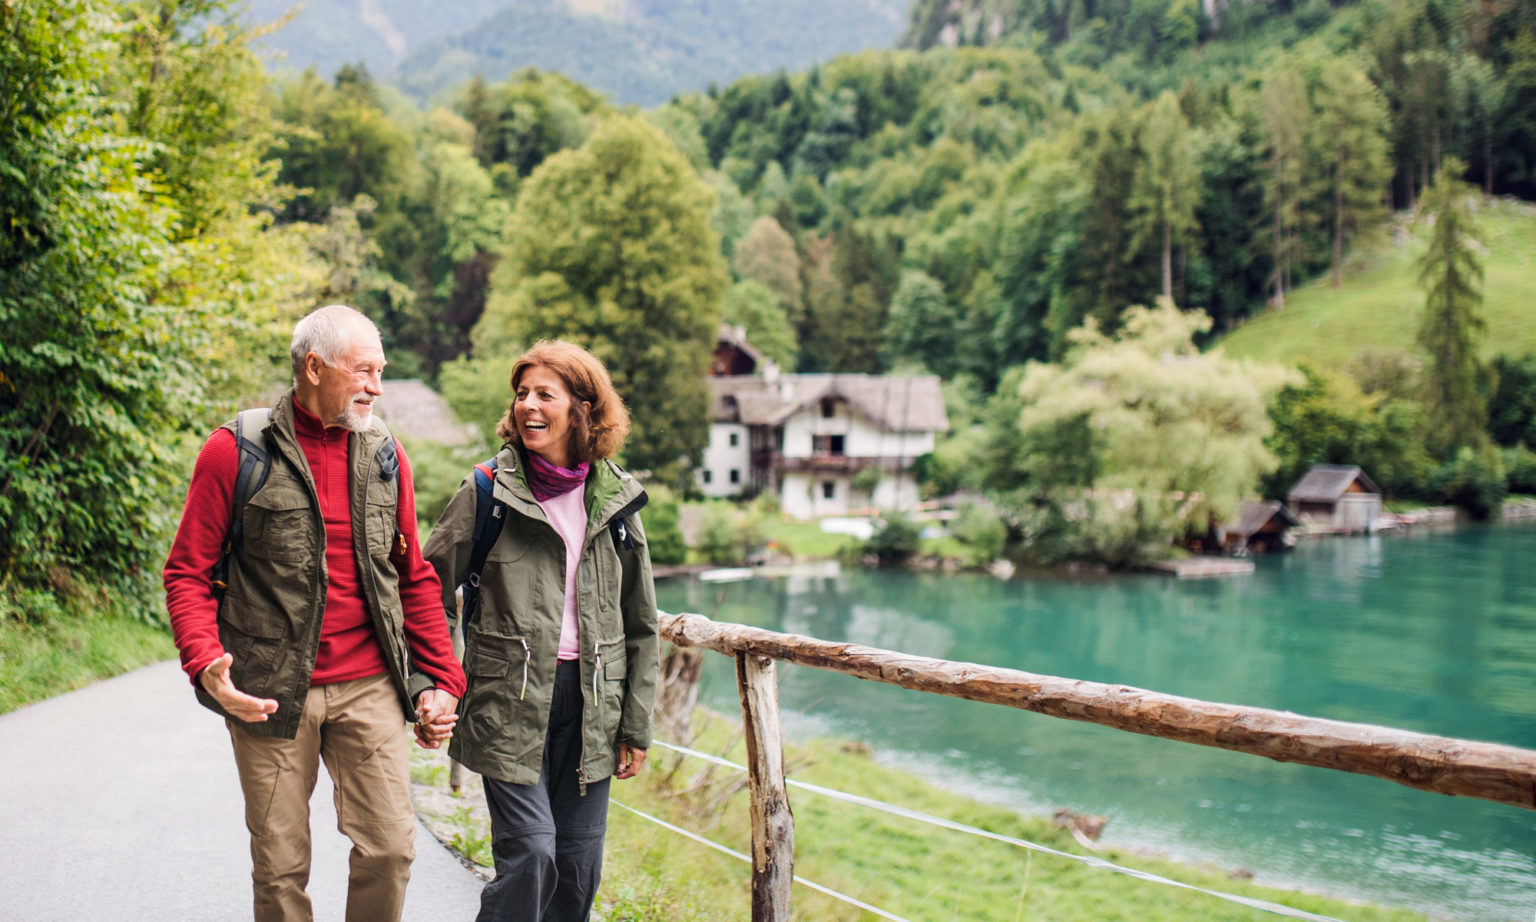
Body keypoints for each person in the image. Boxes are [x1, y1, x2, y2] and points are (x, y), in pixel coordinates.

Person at [163, 304, 466, 922]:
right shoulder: (234, 451)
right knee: (279, 868)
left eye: (380, 371)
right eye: (364, 372)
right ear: (313, 366)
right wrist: (205, 663)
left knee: (390, 850)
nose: (377, 388)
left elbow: (412, 576)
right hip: (268, 691)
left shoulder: (386, 454)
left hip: (370, 685)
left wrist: (441, 680)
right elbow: (187, 572)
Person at [424, 340, 659, 922]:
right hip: (508, 702)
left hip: (592, 711)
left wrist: (635, 723)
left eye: (545, 395)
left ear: (583, 408)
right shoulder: (488, 491)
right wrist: (440, 678)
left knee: (576, 876)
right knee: (531, 857)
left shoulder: (615, 500)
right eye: (522, 393)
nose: (529, 405)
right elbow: (427, 588)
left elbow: (641, 623)